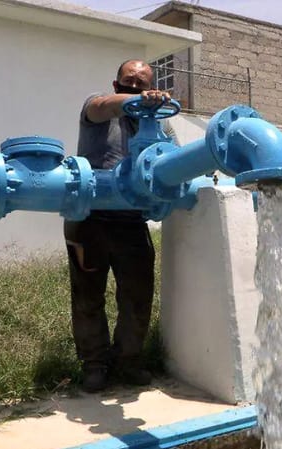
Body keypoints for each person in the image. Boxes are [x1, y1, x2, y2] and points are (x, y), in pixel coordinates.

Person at [64, 60, 178, 393]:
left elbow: (175, 159)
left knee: (138, 295)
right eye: (129, 83)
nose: (136, 88)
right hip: (89, 218)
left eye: (143, 84)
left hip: (130, 222)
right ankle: (95, 364)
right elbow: (100, 107)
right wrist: (137, 103)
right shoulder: (98, 108)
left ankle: (128, 360)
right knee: (88, 296)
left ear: (152, 87)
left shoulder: (161, 126)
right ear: (116, 86)